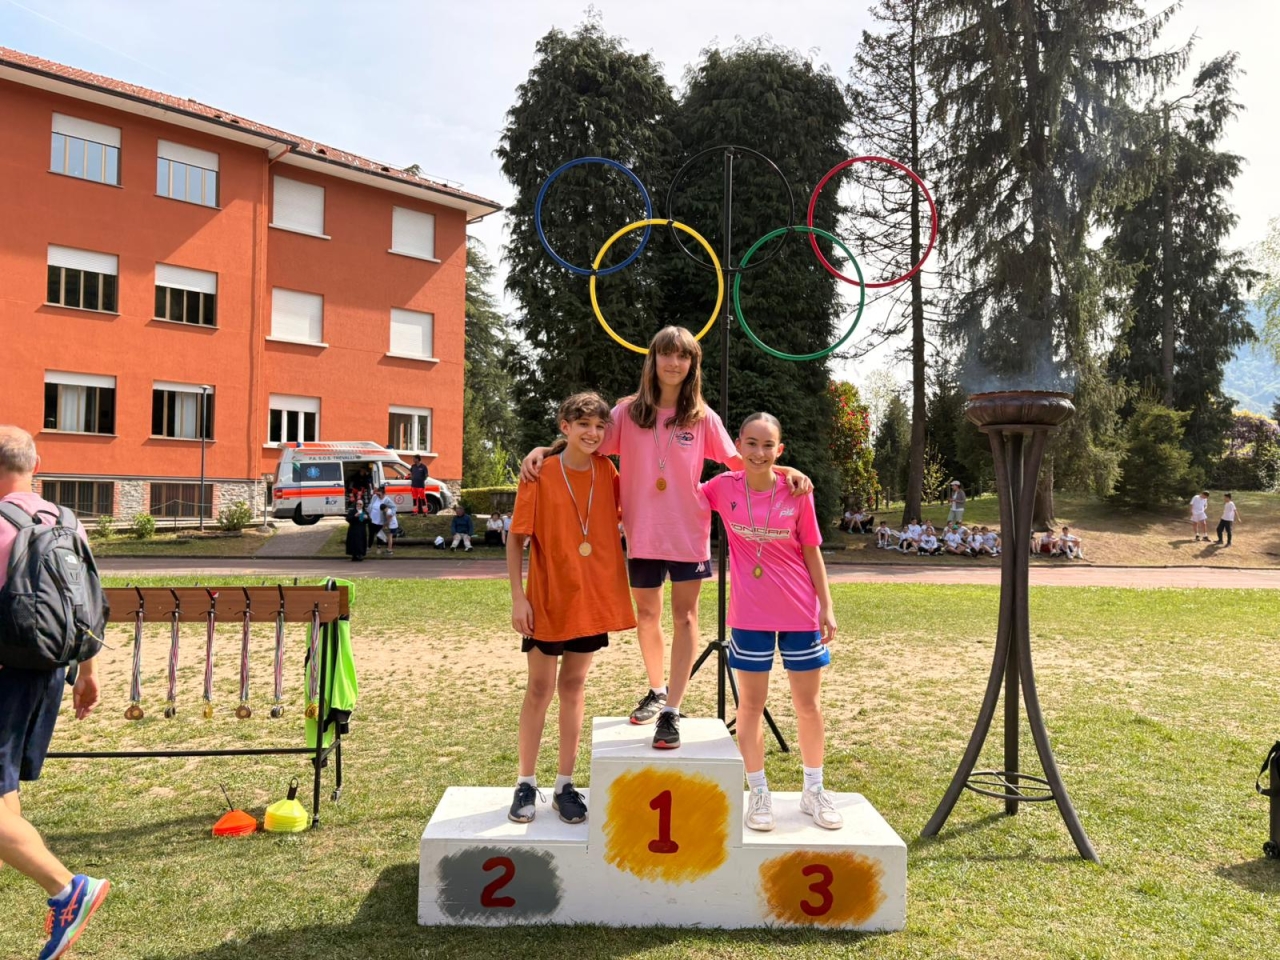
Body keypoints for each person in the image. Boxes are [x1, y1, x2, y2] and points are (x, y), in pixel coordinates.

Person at [521, 326, 810, 750]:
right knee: (647, 615)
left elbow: (740, 460)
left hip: (687, 532)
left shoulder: (702, 417)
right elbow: (587, 443)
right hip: (642, 532)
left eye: (683, 356)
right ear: (653, 360)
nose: (674, 363)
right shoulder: (627, 413)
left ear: (693, 364)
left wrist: (785, 470)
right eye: (666, 354)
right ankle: (657, 690)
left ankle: (672, 708)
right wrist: (545, 451)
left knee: (686, 617)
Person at [697, 412, 841, 832]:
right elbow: (675, 486)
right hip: (750, 616)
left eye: (768, 445)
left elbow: (812, 551)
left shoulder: (797, 491)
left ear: (780, 450)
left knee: (808, 705)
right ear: (738, 445)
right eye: (751, 443)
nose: (758, 452)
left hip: (799, 611)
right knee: (750, 706)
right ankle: (758, 792)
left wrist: (826, 606)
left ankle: (813, 789)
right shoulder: (721, 488)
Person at [0, 426, 110, 959]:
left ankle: (68, 890)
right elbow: (86, 605)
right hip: (46, 674)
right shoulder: (66, 520)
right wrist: (87, 673)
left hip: (4, 676)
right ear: (37, 465)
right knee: (4, 797)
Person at [507, 393, 636, 825]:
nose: (593, 433)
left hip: (590, 599)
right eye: (583, 425)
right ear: (565, 426)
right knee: (539, 689)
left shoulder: (607, 471)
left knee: (574, 687)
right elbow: (516, 539)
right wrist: (518, 597)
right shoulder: (539, 472)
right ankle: (526, 782)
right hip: (547, 599)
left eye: (600, 426)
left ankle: (565, 784)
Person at [344, 497, 369, 562]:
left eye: (360, 504)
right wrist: (355, 516)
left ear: (363, 505)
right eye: (357, 504)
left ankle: (360, 554)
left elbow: (367, 521)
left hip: (361, 530)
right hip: (353, 529)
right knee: (353, 542)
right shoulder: (353, 511)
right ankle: (354, 555)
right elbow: (348, 519)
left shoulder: (364, 512)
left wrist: (367, 518)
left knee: (360, 543)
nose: (359, 505)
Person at [367, 485, 389, 553]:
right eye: (378, 492)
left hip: (380, 521)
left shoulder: (386, 499)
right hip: (372, 519)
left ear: (383, 493)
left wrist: (386, 521)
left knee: (379, 534)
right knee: (371, 534)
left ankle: (378, 548)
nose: (378, 494)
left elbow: (388, 510)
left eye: (379, 493)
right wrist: (369, 514)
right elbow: (371, 505)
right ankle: (369, 547)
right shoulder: (374, 497)